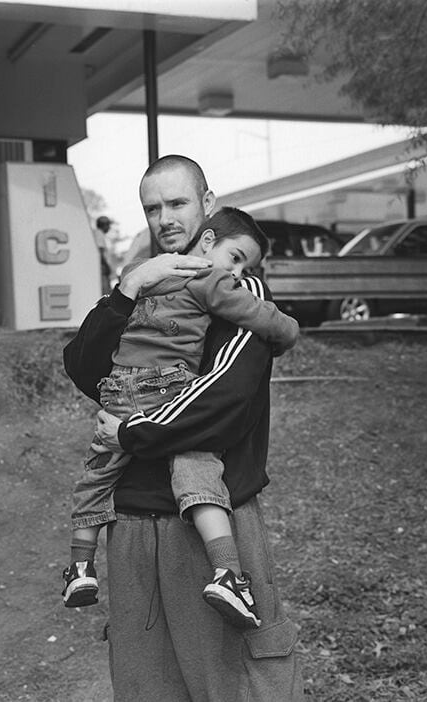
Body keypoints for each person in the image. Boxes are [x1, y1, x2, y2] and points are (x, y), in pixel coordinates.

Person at [62, 154, 305, 700]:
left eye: (177, 203)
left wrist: (132, 433)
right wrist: (128, 289)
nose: (165, 218)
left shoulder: (238, 288)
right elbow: (83, 366)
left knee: (240, 686)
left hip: (207, 518)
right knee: (146, 687)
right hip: (131, 524)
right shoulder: (145, 285)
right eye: (153, 208)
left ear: (207, 205)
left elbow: (224, 401)